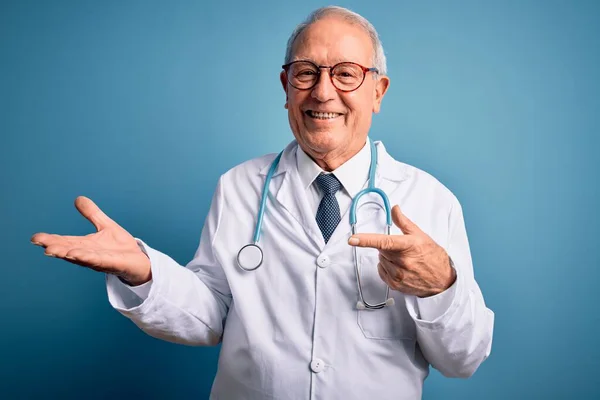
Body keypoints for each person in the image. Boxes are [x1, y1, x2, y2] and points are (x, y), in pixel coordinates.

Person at [31, 6, 494, 399]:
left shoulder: (429, 199)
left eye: (346, 74)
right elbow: (209, 317)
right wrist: (144, 271)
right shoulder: (239, 187)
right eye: (306, 72)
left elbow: (463, 360)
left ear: (378, 91)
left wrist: (441, 286)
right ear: (286, 86)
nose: (323, 91)